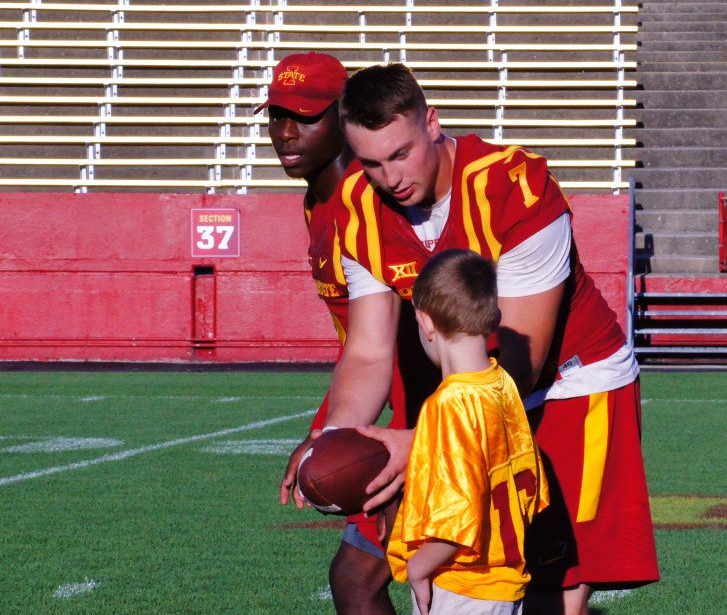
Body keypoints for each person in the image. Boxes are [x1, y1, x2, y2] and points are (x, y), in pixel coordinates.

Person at [324, 62, 659, 614]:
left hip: (570, 381)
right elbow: (367, 349)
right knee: (476, 564)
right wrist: (338, 436)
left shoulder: (513, 184)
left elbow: (526, 350)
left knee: (554, 574)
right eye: (371, 162)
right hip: (471, 385)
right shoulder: (358, 206)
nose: (390, 177)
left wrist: (429, 440)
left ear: (432, 123)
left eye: (401, 153)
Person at [259, 52, 410, 614]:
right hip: (392, 407)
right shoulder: (316, 201)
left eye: (305, 116)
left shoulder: (369, 199)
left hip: (429, 413)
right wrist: (325, 429)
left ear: (345, 117)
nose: (286, 132)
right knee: (358, 578)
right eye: (276, 116)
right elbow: (360, 347)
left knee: (385, 578)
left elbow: (401, 335)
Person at [387, 249, 548, 615]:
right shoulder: (503, 384)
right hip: (504, 580)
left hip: (461, 581)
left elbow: (458, 516)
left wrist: (418, 566)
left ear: (426, 322)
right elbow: (533, 486)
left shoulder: (449, 405)